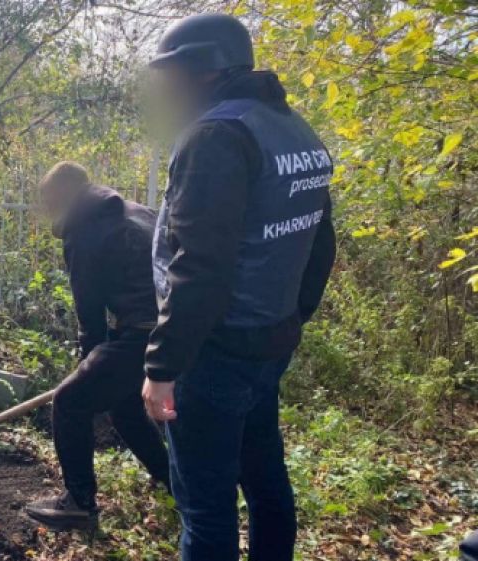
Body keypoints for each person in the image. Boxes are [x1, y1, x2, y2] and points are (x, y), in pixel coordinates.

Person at [141, 14, 336, 561]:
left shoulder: (215, 136)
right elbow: (320, 243)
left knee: (206, 510)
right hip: (268, 341)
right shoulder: (293, 129)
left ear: (199, 69)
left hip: (215, 352)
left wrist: (162, 367)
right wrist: (290, 319)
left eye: (169, 73)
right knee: (266, 481)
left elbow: (200, 266)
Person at [25, 161, 170, 531]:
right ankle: (172, 481)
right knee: (124, 406)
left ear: (61, 198)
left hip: (142, 330)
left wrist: (88, 360)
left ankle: (79, 503)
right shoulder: (135, 211)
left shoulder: (84, 227)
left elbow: (89, 310)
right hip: (175, 329)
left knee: (70, 400)